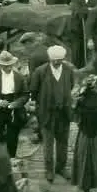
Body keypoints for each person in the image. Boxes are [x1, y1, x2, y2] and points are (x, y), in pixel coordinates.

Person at [29, 45, 75, 183]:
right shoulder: (40, 72)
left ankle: (61, 167)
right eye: (55, 60)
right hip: (47, 114)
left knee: (63, 142)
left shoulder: (68, 70)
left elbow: (71, 85)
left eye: (60, 60)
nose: (57, 62)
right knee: (48, 144)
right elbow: (34, 91)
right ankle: (49, 170)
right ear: (50, 59)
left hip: (63, 113)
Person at [0, 51, 29, 157]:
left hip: (14, 110)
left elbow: (25, 95)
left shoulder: (19, 77)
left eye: (10, 65)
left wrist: (17, 103)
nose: (8, 68)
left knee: (12, 138)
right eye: (5, 66)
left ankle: (11, 160)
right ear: (0, 65)